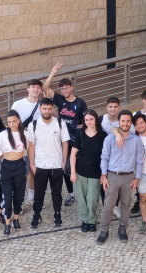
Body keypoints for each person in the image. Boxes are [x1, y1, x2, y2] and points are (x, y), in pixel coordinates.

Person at [43, 62, 88, 207]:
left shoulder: (80, 103)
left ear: (72, 87)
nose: (64, 90)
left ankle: (83, 192)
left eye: (66, 87)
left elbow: (86, 120)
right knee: (65, 168)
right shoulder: (60, 100)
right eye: (62, 88)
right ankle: (71, 193)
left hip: (77, 140)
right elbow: (45, 88)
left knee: (79, 167)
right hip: (64, 140)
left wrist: (84, 126)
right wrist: (53, 72)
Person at [97, 110, 144, 245]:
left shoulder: (136, 140)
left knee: (126, 204)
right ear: (118, 121)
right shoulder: (109, 139)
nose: (125, 123)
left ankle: (122, 228)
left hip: (128, 177)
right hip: (112, 176)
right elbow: (104, 158)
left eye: (128, 121)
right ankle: (104, 231)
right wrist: (104, 176)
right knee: (108, 206)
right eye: (122, 121)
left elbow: (139, 161)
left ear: (131, 123)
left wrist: (137, 178)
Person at [28, 98, 70, 229]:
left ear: (52, 109)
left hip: (57, 165)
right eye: (44, 108)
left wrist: (64, 162)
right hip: (40, 165)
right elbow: (31, 146)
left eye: (49, 108)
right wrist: (32, 164)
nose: (47, 111)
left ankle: (57, 214)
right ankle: (37, 214)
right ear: (40, 109)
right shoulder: (33, 125)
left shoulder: (60, 123)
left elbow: (65, 143)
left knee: (56, 193)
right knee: (39, 193)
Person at [70, 110, 107, 233]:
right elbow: (73, 153)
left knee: (92, 198)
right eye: (86, 120)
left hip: (95, 172)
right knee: (81, 198)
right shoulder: (80, 133)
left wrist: (103, 174)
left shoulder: (102, 135)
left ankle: (92, 220)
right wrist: (73, 172)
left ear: (96, 119)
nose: (89, 122)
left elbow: (105, 156)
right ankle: (84, 220)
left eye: (91, 119)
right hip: (80, 171)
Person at [0, 110, 29, 236]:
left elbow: (28, 149)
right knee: (7, 196)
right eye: (9, 122)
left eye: (14, 121)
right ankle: (7, 222)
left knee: (19, 193)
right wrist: (7, 161)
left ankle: (16, 218)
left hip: (20, 164)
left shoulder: (25, 134)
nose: (12, 124)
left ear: (19, 120)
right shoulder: (2, 135)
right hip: (6, 166)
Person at [11, 79, 43, 206]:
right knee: (21, 172)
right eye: (33, 87)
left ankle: (32, 197)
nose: (36, 89)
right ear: (28, 89)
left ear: (41, 90)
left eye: (38, 87)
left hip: (39, 144)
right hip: (21, 144)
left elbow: (53, 116)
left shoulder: (43, 104)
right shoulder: (18, 104)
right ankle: (20, 201)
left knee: (34, 170)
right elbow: (11, 122)